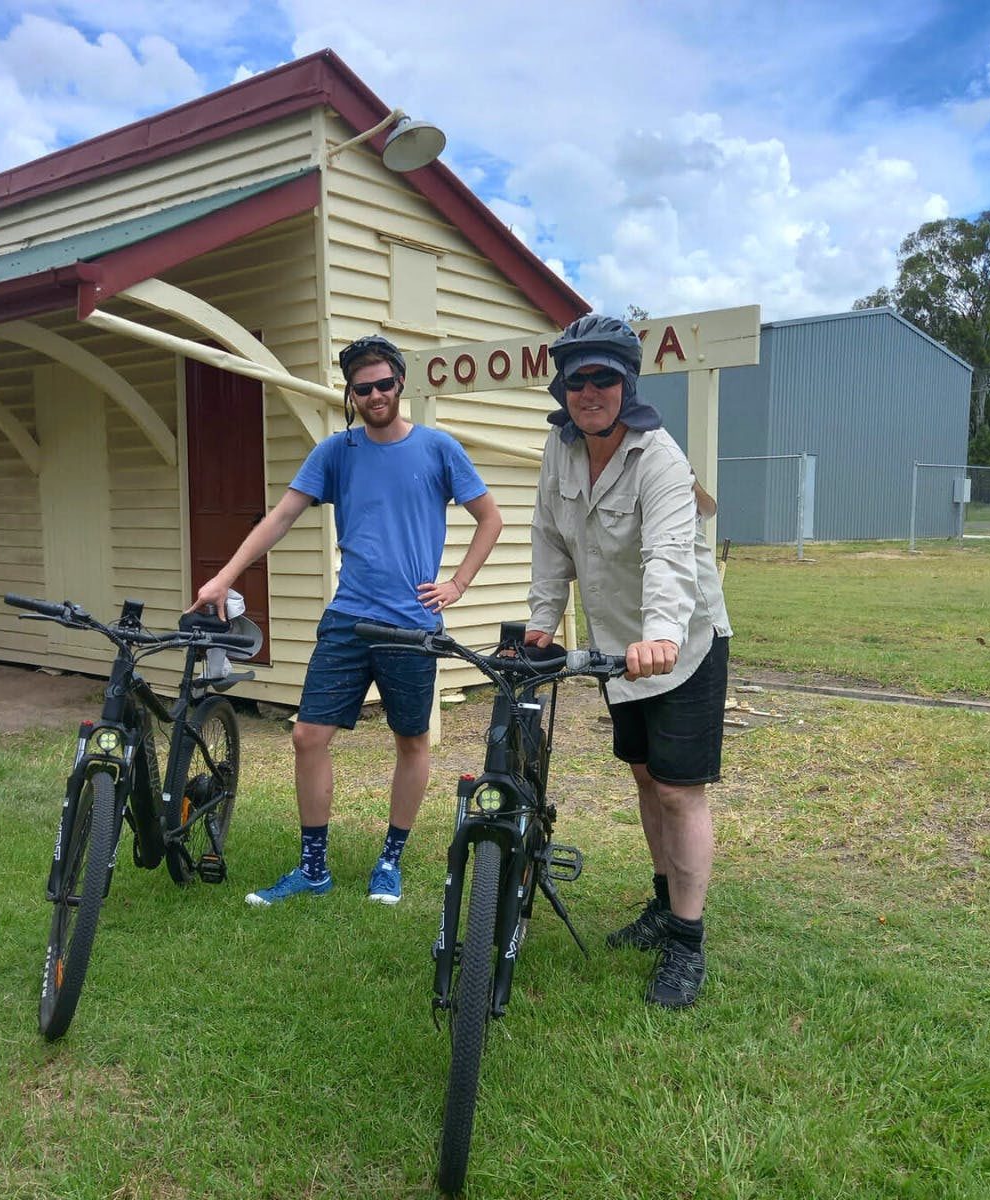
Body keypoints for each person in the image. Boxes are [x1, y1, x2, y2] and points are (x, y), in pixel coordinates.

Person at [189, 334, 503, 907]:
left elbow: (490, 518)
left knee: (412, 740)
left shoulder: (438, 448)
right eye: (364, 388)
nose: (376, 394)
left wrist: (457, 585)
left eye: (385, 383)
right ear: (351, 394)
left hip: (412, 625)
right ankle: (313, 868)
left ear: (400, 383)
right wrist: (224, 577)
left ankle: (390, 860)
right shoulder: (336, 452)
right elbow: (281, 516)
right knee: (308, 736)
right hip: (349, 618)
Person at [524, 314, 731, 1009]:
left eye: (603, 377)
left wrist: (663, 634)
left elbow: (669, 557)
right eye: (576, 378)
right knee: (646, 779)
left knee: (680, 789)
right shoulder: (560, 450)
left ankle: (687, 942)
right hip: (619, 645)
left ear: (627, 383)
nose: (589, 391)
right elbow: (550, 539)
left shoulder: (659, 458)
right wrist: (541, 623)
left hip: (682, 642)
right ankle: (662, 904)